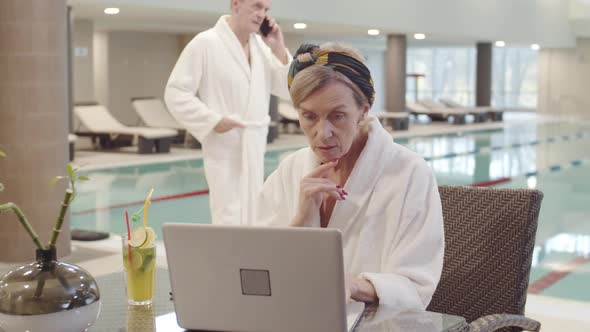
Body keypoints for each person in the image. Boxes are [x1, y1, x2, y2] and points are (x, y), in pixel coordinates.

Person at [256, 43, 444, 309]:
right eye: (309, 116)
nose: (323, 132)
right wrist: (302, 221)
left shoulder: (410, 174)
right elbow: (260, 268)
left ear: (364, 110)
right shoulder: (290, 169)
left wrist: (354, 285)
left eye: (338, 116)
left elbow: (417, 285)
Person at [164, 0, 291, 225]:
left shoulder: (262, 48)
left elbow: (286, 89)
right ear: (236, 4)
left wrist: (278, 48)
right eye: (256, 6)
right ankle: (227, 260)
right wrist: (213, 121)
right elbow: (176, 93)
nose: (261, 14)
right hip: (224, 145)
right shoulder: (205, 43)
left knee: (255, 213)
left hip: (254, 145)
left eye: (266, 10)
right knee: (227, 214)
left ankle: (251, 260)